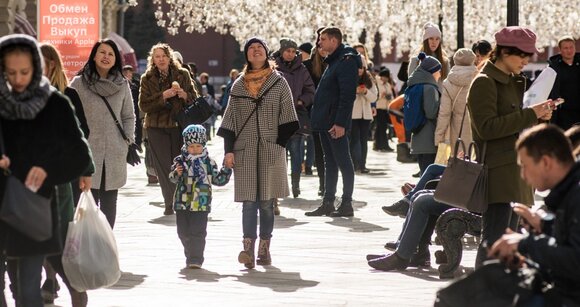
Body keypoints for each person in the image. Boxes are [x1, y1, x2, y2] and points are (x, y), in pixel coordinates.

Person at [0, 34, 92, 307]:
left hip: (32, 207)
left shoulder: (55, 104)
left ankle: (71, 285)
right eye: (10, 72)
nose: (17, 79)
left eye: (25, 72)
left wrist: (47, 170)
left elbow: (79, 155)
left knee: (27, 293)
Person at [467, 26, 555, 268]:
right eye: (522, 55)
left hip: (514, 171)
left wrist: (537, 116)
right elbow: (487, 128)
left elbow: (511, 123)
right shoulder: (484, 82)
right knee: (495, 241)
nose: (526, 61)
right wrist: (530, 115)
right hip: (498, 172)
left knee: (510, 241)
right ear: (504, 52)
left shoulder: (509, 82)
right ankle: (482, 294)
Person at [217, 37, 298, 269]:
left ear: (266, 53)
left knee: (266, 202)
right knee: (248, 202)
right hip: (245, 149)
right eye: (251, 49)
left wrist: (278, 145)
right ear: (246, 55)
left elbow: (289, 118)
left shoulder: (278, 82)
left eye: (259, 48)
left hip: (271, 149)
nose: (255, 51)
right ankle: (248, 249)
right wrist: (228, 151)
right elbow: (230, 122)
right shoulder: (239, 85)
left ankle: (265, 248)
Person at [488, 124, 580, 306]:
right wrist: (544, 226)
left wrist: (525, 244)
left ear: (546, 162)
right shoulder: (568, 192)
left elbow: (576, 261)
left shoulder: (575, 194)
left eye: (524, 166)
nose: (522, 175)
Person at [39, 42, 93, 306]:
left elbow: (81, 134)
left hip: (61, 177)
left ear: (53, 64)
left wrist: (85, 170)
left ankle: (64, 282)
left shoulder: (67, 95)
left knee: (56, 235)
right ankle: (50, 282)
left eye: (44, 62)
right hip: (23, 180)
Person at [70, 39, 136, 228]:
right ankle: (89, 245)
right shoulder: (78, 83)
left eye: (111, 54)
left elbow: (128, 116)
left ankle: (106, 245)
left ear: (116, 59)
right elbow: (70, 116)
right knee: (87, 202)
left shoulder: (122, 84)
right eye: (102, 52)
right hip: (88, 151)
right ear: (94, 55)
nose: (106, 57)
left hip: (115, 151)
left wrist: (127, 140)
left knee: (109, 202)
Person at [139, 43, 198, 216]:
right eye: (157, 56)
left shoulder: (182, 74)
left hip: (178, 126)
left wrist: (184, 95)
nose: (161, 59)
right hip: (156, 127)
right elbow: (144, 105)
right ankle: (169, 201)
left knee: (179, 163)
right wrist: (163, 96)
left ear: (169, 57)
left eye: (164, 55)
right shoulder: (147, 78)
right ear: (153, 60)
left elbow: (194, 98)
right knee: (164, 165)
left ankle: (181, 197)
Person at [305, 27, 359, 217]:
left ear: (334, 41)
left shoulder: (346, 61)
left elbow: (347, 95)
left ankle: (346, 204)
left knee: (344, 161)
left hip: (334, 123)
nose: (319, 43)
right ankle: (328, 202)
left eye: (323, 39)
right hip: (325, 121)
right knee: (330, 163)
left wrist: (341, 123)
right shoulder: (335, 60)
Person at [169, 124, 231, 269]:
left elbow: (218, 180)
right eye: (191, 146)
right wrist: (176, 173)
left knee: (198, 232)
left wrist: (227, 169)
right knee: (182, 232)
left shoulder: (209, 162)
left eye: (198, 146)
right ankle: (189, 252)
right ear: (186, 145)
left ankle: (195, 259)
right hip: (182, 202)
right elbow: (172, 178)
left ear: (203, 145)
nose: (195, 149)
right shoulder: (180, 161)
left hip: (201, 203)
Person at [274, 37, 315, 198]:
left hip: (296, 117)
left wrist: (301, 100)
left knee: (297, 154)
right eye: (287, 51)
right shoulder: (273, 67)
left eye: (293, 51)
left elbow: (311, 91)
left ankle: (296, 185)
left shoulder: (302, 69)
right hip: (277, 118)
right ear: (282, 51)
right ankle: (281, 186)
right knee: (279, 155)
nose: (291, 54)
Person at [434, 48, 479, 150]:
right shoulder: (480, 79)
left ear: (455, 61)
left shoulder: (448, 82)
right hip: (477, 129)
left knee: (459, 162)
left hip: (457, 131)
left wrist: (439, 136)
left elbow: (444, 112)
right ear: (473, 60)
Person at [407, 52, 442, 175]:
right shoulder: (430, 88)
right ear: (432, 72)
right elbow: (431, 113)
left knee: (423, 173)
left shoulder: (414, 85)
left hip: (417, 135)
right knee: (429, 176)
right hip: (428, 137)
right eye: (438, 71)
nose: (440, 74)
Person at [350, 54, 377, 173]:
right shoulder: (348, 77)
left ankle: (362, 165)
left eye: (361, 67)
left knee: (363, 140)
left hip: (365, 115)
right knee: (354, 139)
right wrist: (355, 91)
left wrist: (365, 91)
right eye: (357, 67)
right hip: (353, 114)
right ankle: (354, 164)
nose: (359, 70)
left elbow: (374, 98)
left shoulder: (369, 79)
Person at [549, 35, 580, 131]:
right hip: (563, 114)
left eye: (571, 47)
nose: (569, 50)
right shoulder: (553, 68)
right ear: (560, 50)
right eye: (566, 48)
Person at [374, 67, 395, 152]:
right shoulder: (377, 83)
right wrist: (381, 96)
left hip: (386, 108)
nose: (386, 79)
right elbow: (374, 96)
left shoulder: (388, 85)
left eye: (387, 77)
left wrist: (389, 97)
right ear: (381, 76)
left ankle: (378, 145)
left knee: (381, 127)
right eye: (384, 77)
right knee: (381, 127)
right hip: (378, 107)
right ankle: (383, 145)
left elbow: (391, 96)